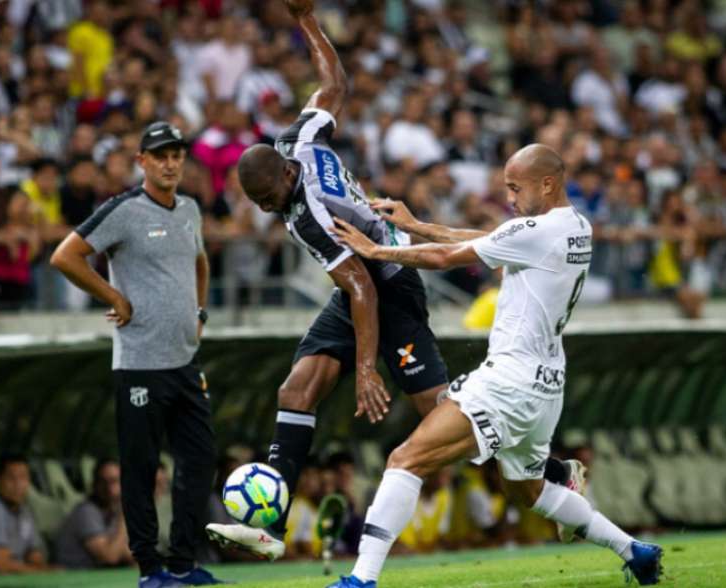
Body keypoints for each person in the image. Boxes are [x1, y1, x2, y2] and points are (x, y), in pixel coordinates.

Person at [206, 0, 581, 561]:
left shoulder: (308, 216)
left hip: (391, 284)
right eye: (257, 203)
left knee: (442, 417)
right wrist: (307, 20)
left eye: (268, 198)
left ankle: (555, 474)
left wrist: (365, 370)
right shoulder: (299, 139)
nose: (265, 210)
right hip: (360, 283)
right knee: (296, 390)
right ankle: (272, 527)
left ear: (285, 175)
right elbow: (335, 84)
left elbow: (362, 287)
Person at [325, 144, 663, 587]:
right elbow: (491, 238)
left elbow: (447, 258)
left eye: (515, 188)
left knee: (405, 459)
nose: (509, 197)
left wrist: (375, 251)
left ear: (547, 183)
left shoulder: (537, 231)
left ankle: (361, 579)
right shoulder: (577, 226)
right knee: (529, 491)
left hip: (509, 382)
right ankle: (634, 550)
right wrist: (415, 226)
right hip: (547, 386)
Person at [51, 120, 221, 588]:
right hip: (140, 365)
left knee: (200, 459)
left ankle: (183, 563)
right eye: (160, 156)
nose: (170, 163)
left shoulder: (189, 209)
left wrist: (200, 312)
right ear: (141, 162)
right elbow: (65, 256)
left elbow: (201, 261)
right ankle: (150, 569)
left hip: (185, 361)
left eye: (176, 155)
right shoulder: (123, 210)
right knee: (141, 469)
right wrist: (114, 297)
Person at [55, 458, 134, 569]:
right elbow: (109, 557)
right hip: (72, 576)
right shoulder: (86, 512)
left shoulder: (114, 511)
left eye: (114, 481)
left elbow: (127, 552)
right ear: (94, 484)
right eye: (103, 482)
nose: (109, 488)